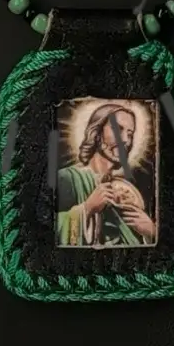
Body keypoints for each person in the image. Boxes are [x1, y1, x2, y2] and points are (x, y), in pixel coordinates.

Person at [56, 102, 156, 247]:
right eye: (117, 129)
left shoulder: (125, 191)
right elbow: (47, 231)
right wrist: (87, 208)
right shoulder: (67, 178)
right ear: (96, 132)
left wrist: (151, 231)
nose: (125, 140)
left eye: (130, 134)